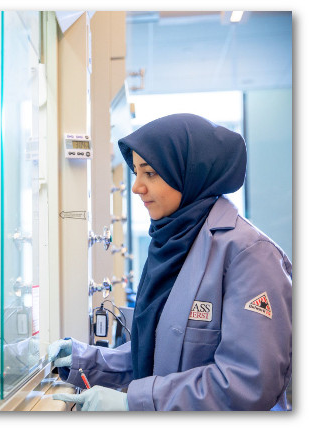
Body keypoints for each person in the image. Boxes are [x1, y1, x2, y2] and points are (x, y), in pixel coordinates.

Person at [48, 113, 292, 411]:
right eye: (136, 172)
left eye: (149, 173)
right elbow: (158, 352)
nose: (137, 186)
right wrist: (85, 359)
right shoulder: (171, 243)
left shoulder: (250, 254)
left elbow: (247, 382)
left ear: (188, 173)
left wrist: (133, 403)